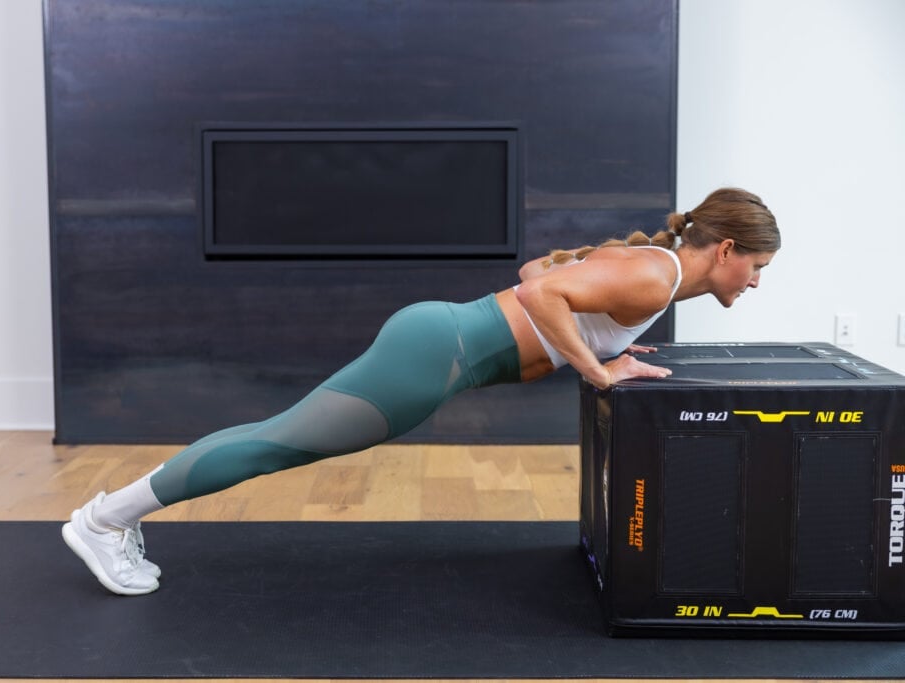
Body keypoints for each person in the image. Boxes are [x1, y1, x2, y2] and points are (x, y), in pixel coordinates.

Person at [62, 187, 780, 595]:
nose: (753, 282)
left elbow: (534, 274)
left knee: (276, 438)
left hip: (439, 340)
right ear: (725, 249)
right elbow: (552, 293)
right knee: (273, 444)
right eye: (755, 266)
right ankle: (102, 520)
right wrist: (597, 367)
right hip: (438, 354)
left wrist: (608, 340)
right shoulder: (655, 276)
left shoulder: (651, 269)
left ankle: (113, 517)